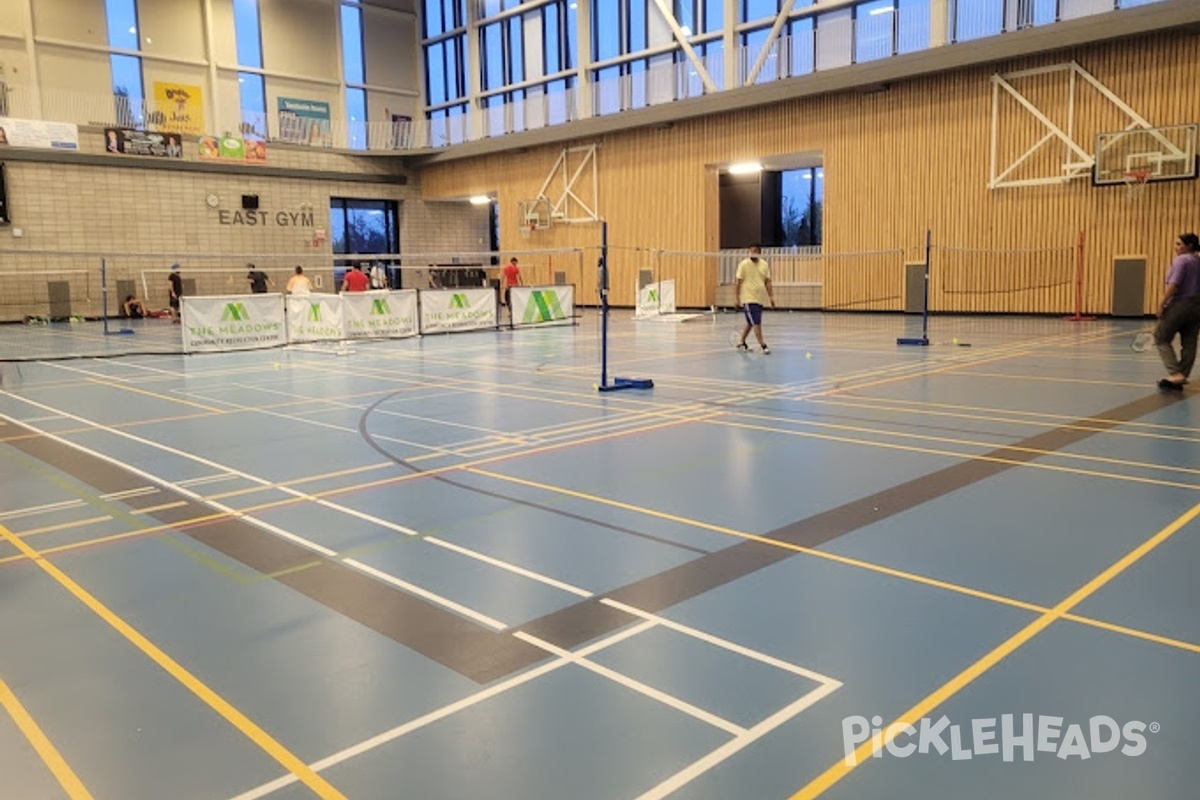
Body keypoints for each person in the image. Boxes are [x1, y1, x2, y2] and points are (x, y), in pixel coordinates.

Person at [1153, 232, 1200, 391]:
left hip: (1181, 303)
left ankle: (1175, 373)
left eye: (1179, 244)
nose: (1175, 247)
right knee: (1189, 341)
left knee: (1161, 336)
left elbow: (1174, 285)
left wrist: (1161, 304)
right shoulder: (1198, 261)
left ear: (1190, 246)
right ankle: (1183, 374)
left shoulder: (1182, 260)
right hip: (1197, 306)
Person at [735, 244, 776, 353]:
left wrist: (771, 297)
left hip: (759, 298)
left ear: (759, 252)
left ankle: (741, 342)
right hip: (748, 298)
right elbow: (738, 283)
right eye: (751, 251)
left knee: (750, 322)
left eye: (755, 251)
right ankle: (763, 345)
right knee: (756, 322)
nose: (752, 253)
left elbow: (767, 282)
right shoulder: (743, 264)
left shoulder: (764, 265)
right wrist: (737, 298)